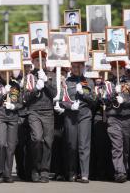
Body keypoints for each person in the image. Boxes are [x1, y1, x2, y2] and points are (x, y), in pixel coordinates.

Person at [57, 62, 95, 183]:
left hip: (84, 114)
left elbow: (94, 99)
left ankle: (84, 174)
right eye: (74, 67)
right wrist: (70, 106)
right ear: (71, 68)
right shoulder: (67, 82)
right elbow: (62, 100)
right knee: (71, 145)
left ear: (83, 67)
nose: (77, 69)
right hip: (71, 114)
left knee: (84, 144)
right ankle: (72, 172)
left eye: (79, 66)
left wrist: (84, 94)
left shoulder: (88, 81)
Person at [23, 50, 57, 183]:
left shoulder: (51, 75)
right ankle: (35, 169)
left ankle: (44, 171)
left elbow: (54, 93)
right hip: (34, 111)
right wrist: (36, 88)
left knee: (48, 142)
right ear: (33, 62)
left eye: (42, 60)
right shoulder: (29, 77)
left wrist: (46, 82)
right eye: (37, 60)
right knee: (36, 139)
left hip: (48, 111)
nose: (40, 62)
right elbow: (25, 97)